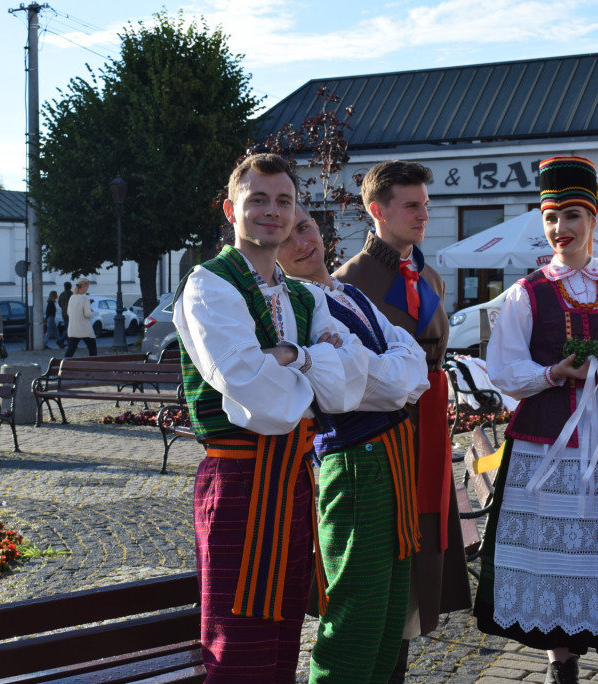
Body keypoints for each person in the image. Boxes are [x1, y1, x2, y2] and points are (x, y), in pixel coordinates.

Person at [174, 153, 376, 681]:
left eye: (283, 200)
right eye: (258, 199)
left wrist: (292, 356)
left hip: (291, 481)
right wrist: (309, 360)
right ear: (230, 209)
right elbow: (256, 394)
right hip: (239, 476)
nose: (273, 211)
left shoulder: (305, 297)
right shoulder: (209, 285)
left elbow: (348, 384)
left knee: (284, 630)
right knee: (237, 636)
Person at [473, 156, 598, 684]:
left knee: (596, 543)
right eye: (551, 217)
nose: (561, 229)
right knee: (548, 549)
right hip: (546, 443)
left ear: (594, 219)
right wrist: (555, 371)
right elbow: (505, 370)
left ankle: (581, 647)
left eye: (573, 215)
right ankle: (559, 663)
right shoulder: (526, 292)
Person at [277, 206, 430, 683]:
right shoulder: (295, 305)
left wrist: (378, 368)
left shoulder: (349, 293)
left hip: (395, 456)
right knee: (355, 616)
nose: (302, 242)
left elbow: (415, 364)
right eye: (285, 238)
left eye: (303, 227)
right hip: (355, 460)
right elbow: (353, 386)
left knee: (388, 614)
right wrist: (386, 371)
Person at [334, 160, 471, 680]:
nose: (423, 215)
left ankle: (398, 668)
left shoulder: (430, 274)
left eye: (425, 205)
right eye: (411, 206)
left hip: (430, 429)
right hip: (379, 437)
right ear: (377, 210)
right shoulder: (348, 282)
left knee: (421, 552)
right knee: (383, 549)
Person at [63, 278, 96, 358]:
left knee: (70, 351)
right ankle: (94, 366)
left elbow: (68, 312)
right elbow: (87, 314)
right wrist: (91, 311)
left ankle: (63, 365)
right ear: (84, 286)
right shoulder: (85, 298)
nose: (87, 288)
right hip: (84, 328)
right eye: (87, 286)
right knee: (92, 349)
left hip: (73, 328)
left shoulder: (72, 298)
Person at [57, 280, 73, 346]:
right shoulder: (72, 294)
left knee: (67, 328)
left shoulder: (62, 294)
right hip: (71, 314)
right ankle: (61, 340)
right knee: (69, 329)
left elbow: (59, 304)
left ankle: (69, 343)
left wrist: (64, 308)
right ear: (70, 287)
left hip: (64, 313)